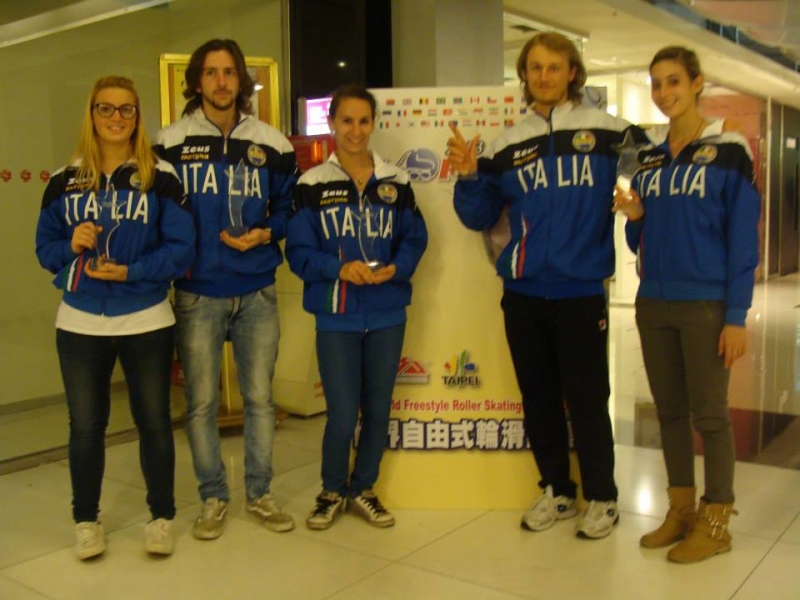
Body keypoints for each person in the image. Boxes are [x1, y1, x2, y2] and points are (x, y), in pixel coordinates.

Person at [448, 32, 648, 539]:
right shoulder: (506, 144)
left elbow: (647, 174)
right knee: (537, 398)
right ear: (524, 74)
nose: (544, 76)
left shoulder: (612, 132)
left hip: (580, 290)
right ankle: (557, 490)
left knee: (587, 398)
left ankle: (602, 496)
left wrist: (632, 201)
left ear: (572, 73)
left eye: (554, 67)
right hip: (523, 292)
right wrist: (469, 176)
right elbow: (479, 216)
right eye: (535, 67)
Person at [35, 75, 196, 559]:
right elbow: (45, 250)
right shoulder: (64, 180)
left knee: (154, 422)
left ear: (137, 117)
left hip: (146, 319)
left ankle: (161, 516)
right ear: (92, 114)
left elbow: (181, 248)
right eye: (106, 108)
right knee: (86, 426)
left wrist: (131, 271)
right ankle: (86, 520)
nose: (116, 118)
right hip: (80, 322)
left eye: (127, 109)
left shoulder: (160, 176)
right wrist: (71, 244)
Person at [615, 46, 760, 563]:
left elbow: (743, 239)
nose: (664, 93)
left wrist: (736, 316)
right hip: (654, 303)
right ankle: (680, 511)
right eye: (656, 83)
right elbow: (640, 240)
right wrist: (635, 217)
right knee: (670, 414)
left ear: (697, 83)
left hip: (705, 305)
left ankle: (716, 523)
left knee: (711, 417)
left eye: (673, 81)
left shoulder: (729, 150)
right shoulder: (650, 159)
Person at [153, 39, 297, 539]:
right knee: (200, 404)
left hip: (257, 289)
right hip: (197, 291)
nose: (221, 81)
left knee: (260, 399)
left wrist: (267, 233)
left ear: (242, 80)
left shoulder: (272, 143)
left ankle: (259, 494)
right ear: (197, 81)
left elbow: (289, 208)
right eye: (212, 72)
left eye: (229, 72)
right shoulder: (168, 142)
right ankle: (213, 497)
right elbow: (156, 213)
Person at [286, 84, 427, 530]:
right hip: (337, 314)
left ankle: (364, 488)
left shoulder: (396, 180)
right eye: (346, 120)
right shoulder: (311, 184)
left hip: (387, 312)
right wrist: (339, 268)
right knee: (343, 414)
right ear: (331, 123)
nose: (355, 130)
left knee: (378, 411)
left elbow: (415, 238)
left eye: (364, 120)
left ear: (373, 123)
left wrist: (398, 267)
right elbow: (298, 252)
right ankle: (331, 490)